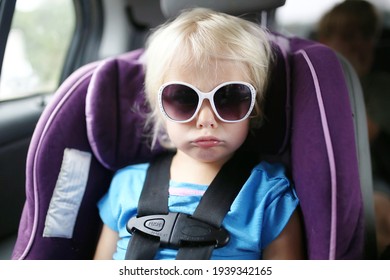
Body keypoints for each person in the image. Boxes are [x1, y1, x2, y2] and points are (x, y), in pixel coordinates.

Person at [93, 8, 305, 260]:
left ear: (254, 109)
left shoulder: (270, 196)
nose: (206, 120)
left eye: (229, 97)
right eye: (183, 98)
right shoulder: (126, 185)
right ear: (160, 110)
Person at [317, 0, 390, 258]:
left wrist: (354, 77)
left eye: (366, 36)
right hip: (331, 176)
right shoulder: (315, 84)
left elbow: (364, 136)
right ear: (325, 41)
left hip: (374, 174)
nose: (359, 44)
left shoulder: (380, 87)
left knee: (377, 210)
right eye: (348, 37)